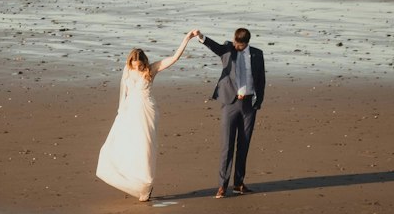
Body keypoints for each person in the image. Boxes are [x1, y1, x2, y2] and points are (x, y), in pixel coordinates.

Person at [96, 32, 194, 202]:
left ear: (144, 62)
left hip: (148, 111)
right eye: (135, 65)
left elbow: (174, 58)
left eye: (140, 65)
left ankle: (146, 186)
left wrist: (187, 38)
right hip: (130, 112)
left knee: (146, 147)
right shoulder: (127, 70)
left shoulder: (152, 69)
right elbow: (124, 94)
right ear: (130, 62)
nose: (137, 68)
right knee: (128, 147)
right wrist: (121, 114)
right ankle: (134, 181)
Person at [195, 27, 266, 197]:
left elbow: (261, 78)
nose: (235, 45)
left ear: (246, 43)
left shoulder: (257, 54)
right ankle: (222, 185)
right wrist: (201, 37)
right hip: (230, 103)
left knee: (244, 144)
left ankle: (239, 184)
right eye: (234, 41)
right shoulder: (228, 49)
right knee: (227, 145)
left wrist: (259, 101)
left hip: (249, 104)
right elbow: (215, 47)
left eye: (239, 44)